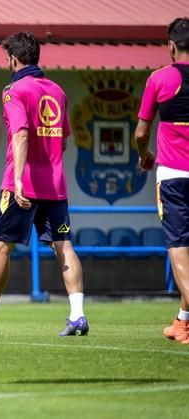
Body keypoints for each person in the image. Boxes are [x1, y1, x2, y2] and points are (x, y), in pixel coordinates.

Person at [0, 32, 89, 338]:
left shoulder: (14, 91)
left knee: (1, 247)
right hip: (55, 185)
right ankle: (78, 315)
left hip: (20, 185)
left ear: (13, 59)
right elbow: (63, 142)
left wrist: (21, 180)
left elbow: (21, 135)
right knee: (63, 246)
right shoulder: (58, 91)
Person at [136, 17, 189, 344]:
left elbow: (142, 131)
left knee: (179, 248)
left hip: (172, 175)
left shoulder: (160, 79)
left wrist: (144, 154)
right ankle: (182, 322)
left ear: (170, 46)